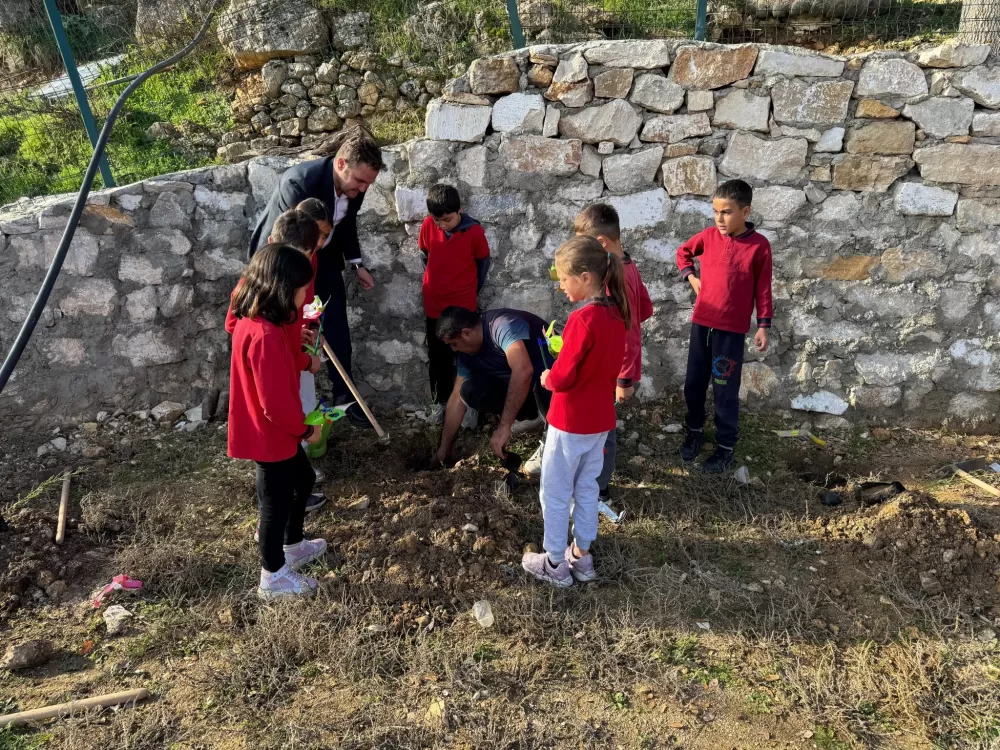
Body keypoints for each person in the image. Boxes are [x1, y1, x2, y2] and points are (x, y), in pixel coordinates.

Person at [249, 128, 385, 424]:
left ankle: (344, 398)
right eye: (360, 181)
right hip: (283, 266)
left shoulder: (354, 188)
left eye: (368, 184)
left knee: (334, 324)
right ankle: (289, 408)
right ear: (340, 164)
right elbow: (291, 243)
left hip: (322, 261)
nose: (363, 189)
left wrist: (356, 263)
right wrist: (303, 289)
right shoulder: (300, 183)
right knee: (290, 329)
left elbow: (346, 223)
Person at [521, 236, 628, 588]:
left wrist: (548, 377)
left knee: (553, 491)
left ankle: (554, 562)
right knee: (586, 489)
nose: (561, 285)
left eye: (563, 278)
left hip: (569, 421)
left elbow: (564, 376)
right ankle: (581, 556)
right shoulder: (616, 314)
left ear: (584, 277)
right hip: (599, 420)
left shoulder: (582, 320)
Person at [228, 243, 328, 600]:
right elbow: (274, 405)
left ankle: (293, 543)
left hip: (274, 433)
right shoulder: (265, 336)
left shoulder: (257, 321)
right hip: (270, 435)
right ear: (284, 288)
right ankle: (272, 576)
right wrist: (307, 429)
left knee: (302, 478)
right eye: (302, 289)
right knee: (274, 504)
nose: (305, 297)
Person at [226, 210, 328, 513]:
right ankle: (277, 516)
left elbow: (302, 309)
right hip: (273, 367)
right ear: (272, 247)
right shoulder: (256, 291)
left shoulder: (304, 269)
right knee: (275, 445)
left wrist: (304, 332)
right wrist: (280, 344)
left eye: (306, 255)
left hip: (287, 362)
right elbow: (236, 324)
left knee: (294, 423)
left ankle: (296, 489)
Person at [675, 179, 773, 473]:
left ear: (746, 211)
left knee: (724, 389)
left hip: (730, 331)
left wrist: (763, 325)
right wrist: (692, 279)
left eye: (727, 212)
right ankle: (693, 433)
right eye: (716, 211)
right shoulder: (708, 236)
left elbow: (763, 289)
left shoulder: (759, 247)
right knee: (693, 384)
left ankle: (725, 447)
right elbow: (683, 253)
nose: (719, 218)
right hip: (702, 323)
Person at [574, 204, 653, 504]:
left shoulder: (612, 281)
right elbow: (645, 309)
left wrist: (623, 378)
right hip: (608, 366)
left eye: (587, 245)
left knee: (603, 430)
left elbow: (630, 331)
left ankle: (600, 489)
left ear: (602, 244)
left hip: (611, 372)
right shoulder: (628, 266)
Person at [433, 306, 549, 466]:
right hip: (525, 388)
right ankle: (530, 415)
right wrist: (443, 450)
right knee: (469, 391)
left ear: (466, 333)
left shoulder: (502, 325)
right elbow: (456, 399)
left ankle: (551, 440)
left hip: (553, 382)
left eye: (453, 343)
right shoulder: (466, 354)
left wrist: (504, 427)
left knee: (545, 384)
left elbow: (523, 370)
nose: (453, 349)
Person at [419, 184, 491, 425]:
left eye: (447, 219)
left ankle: (470, 406)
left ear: (460, 210)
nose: (442, 225)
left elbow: (483, 264)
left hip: (462, 305)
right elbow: (424, 254)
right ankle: (440, 404)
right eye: (437, 220)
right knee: (438, 356)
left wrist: (469, 289)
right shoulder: (428, 225)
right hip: (434, 304)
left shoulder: (474, 232)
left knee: (468, 354)